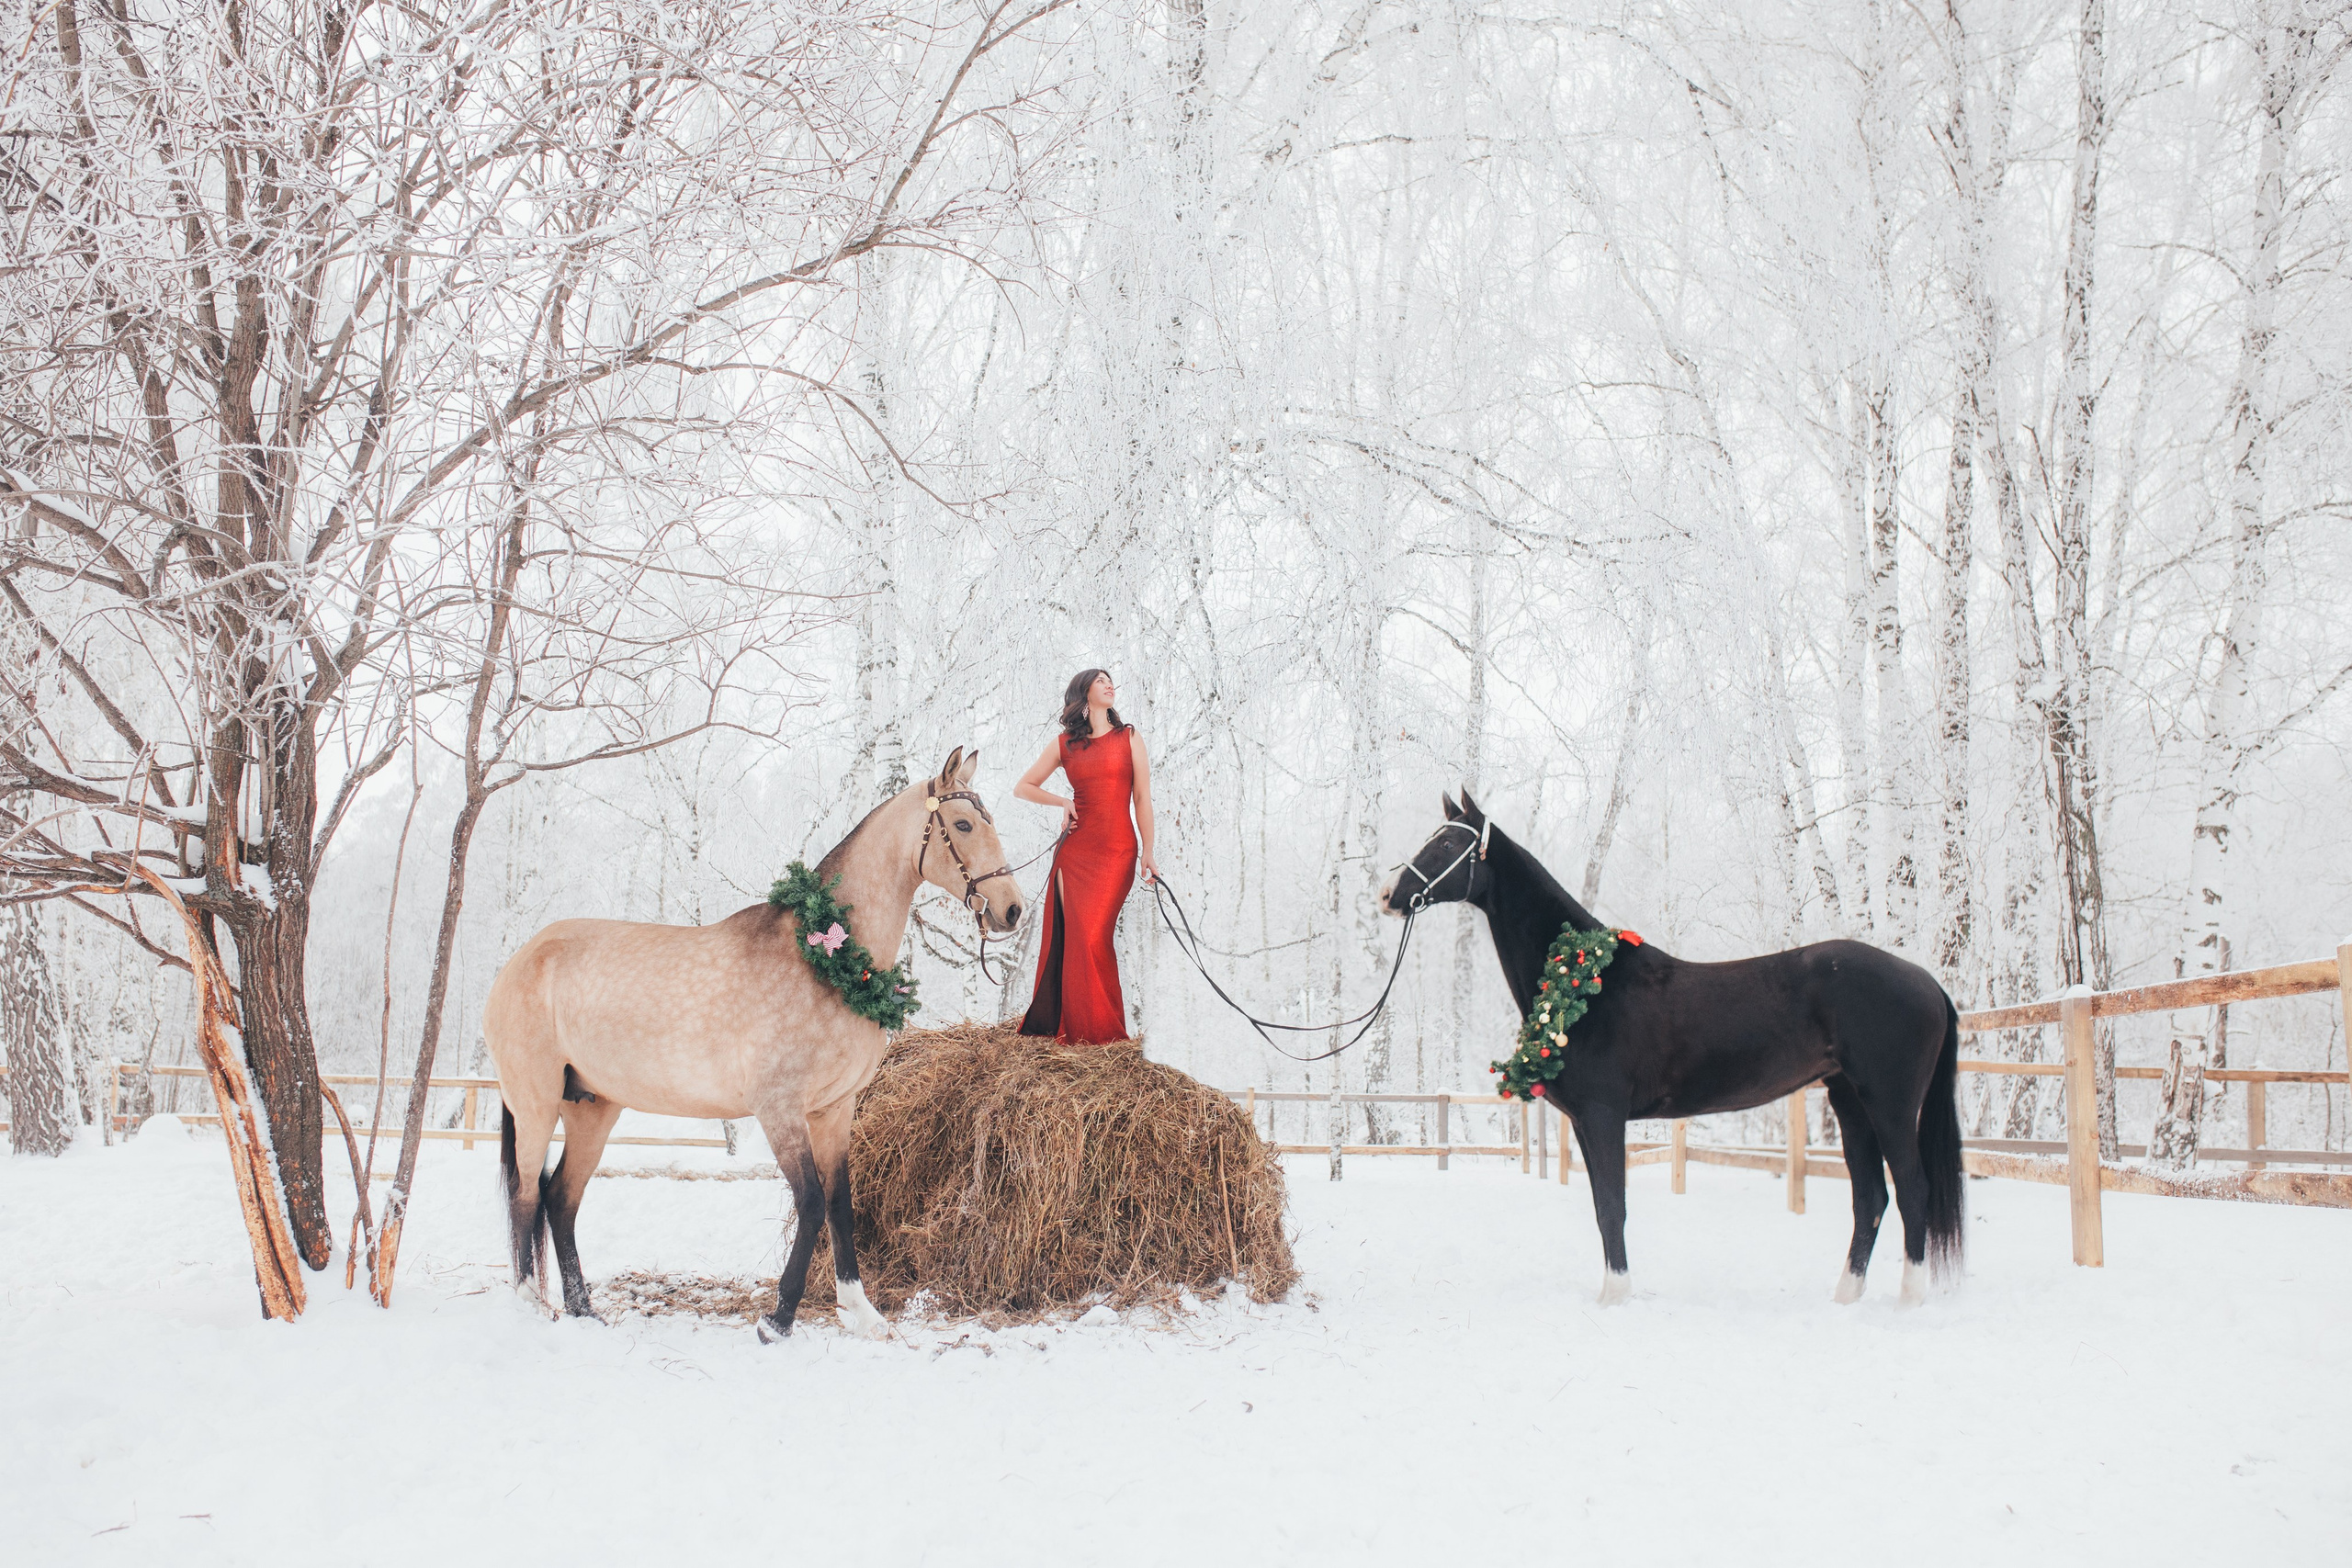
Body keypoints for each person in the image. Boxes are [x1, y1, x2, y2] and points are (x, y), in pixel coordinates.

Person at [1013, 669, 1159, 1043]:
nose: (1111, 685)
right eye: (1101, 681)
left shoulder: (1129, 737)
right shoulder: (1065, 745)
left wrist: (1149, 851)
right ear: (1085, 692)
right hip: (1074, 854)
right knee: (1077, 940)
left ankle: (1104, 1035)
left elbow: (1142, 797)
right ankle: (1078, 1034)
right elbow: (1023, 787)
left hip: (1118, 852)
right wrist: (1062, 800)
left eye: (1112, 681)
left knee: (1095, 937)